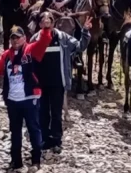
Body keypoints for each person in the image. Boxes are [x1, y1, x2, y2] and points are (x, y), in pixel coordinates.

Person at [0, 25, 51, 170]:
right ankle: (16, 161)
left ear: (24, 38)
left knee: (34, 128)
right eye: (12, 38)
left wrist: (46, 28)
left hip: (30, 98)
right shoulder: (7, 55)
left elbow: (44, 43)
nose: (15, 40)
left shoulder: (31, 50)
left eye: (18, 37)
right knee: (15, 131)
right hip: (13, 100)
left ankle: (36, 160)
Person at [29, 11, 91, 154]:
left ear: (53, 22)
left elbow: (80, 46)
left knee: (56, 113)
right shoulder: (34, 39)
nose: (46, 22)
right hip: (41, 83)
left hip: (58, 82)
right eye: (43, 20)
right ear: (39, 24)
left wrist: (86, 31)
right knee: (43, 112)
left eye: (49, 20)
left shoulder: (62, 37)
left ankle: (57, 140)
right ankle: (45, 139)